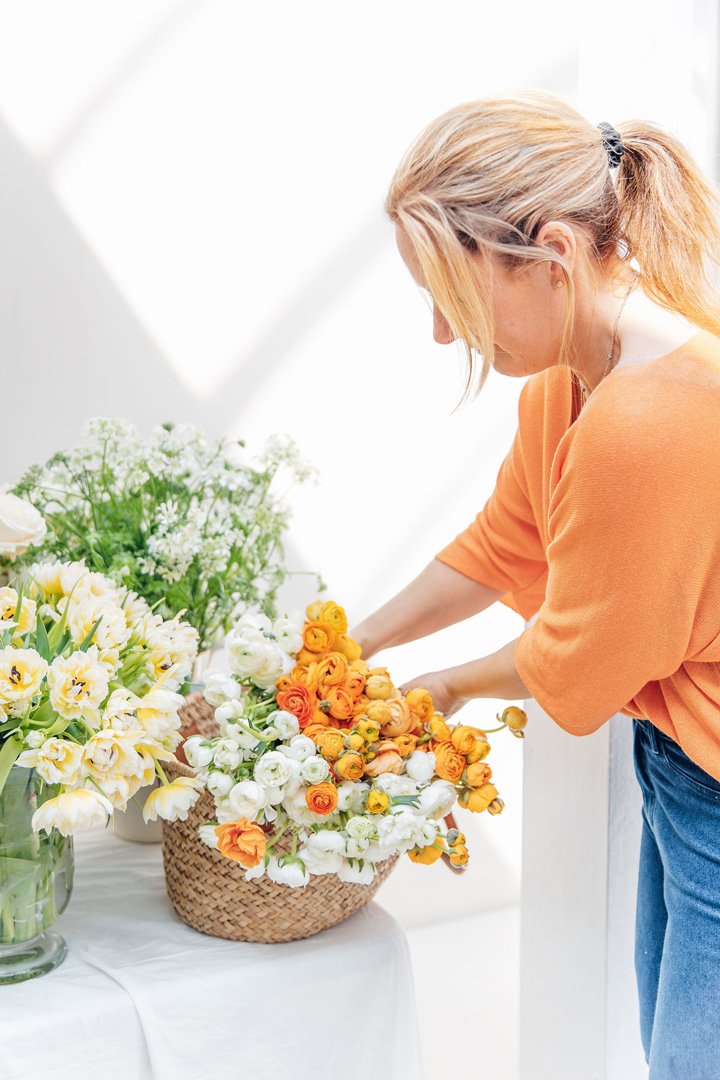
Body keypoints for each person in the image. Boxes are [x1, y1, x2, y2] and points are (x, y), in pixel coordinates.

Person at [349, 89, 720, 1077]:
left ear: (550, 251)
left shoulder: (650, 421)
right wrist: (359, 641)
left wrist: (450, 686)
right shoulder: (573, 384)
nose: (440, 332)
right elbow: (502, 544)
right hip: (686, 774)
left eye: (451, 294)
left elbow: (585, 660)